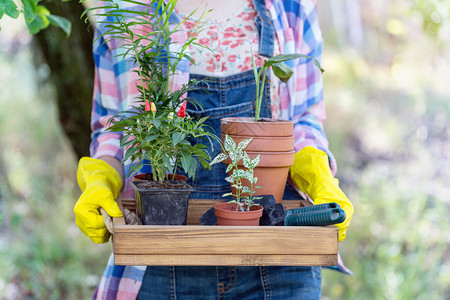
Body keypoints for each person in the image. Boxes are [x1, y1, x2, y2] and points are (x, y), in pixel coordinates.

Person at [74, 0, 354, 298]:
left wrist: (316, 170)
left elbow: (304, 121)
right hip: (161, 255)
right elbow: (114, 128)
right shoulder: (125, 12)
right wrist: (101, 177)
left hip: (279, 255)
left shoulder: (291, 8)